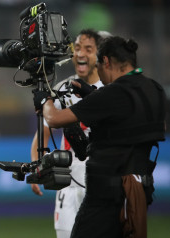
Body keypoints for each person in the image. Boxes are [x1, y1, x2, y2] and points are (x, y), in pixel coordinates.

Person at [34, 36, 167, 238]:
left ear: (106, 62)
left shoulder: (113, 93)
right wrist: (92, 95)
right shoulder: (155, 90)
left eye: (98, 65)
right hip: (139, 191)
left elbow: (54, 119)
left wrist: (44, 99)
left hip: (107, 195)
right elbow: (127, 117)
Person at [30, 29, 105, 238]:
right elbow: (44, 131)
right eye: (77, 48)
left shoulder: (110, 89)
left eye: (88, 49)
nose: (80, 54)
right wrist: (37, 165)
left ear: (99, 55)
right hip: (68, 186)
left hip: (100, 184)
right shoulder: (63, 88)